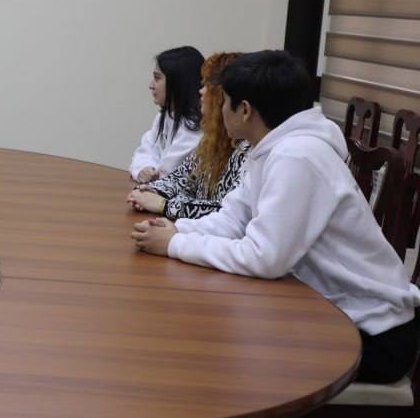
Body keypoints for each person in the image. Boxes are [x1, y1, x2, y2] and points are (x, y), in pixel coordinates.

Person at [132, 50, 420, 383]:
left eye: (224, 101)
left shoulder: (297, 157)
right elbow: (232, 220)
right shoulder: (270, 148)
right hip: (331, 312)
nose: (218, 109)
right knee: (208, 330)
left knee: (216, 344)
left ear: (244, 110)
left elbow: (264, 258)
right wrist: (177, 229)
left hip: (372, 335)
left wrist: (175, 245)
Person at [128, 52, 250, 220]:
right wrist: (150, 191)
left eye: (207, 86)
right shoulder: (212, 140)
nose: (201, 91)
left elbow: (228, 213)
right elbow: (179, 179)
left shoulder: (246, 149)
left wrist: (164, 205)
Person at [130, 46, 204, 182]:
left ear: (178, 83)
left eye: (157, 78)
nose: (151, 85)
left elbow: (169, 174)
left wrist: (153, 174)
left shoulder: (195, 127)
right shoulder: (165, 116)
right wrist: (144, 168)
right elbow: (145, 149)